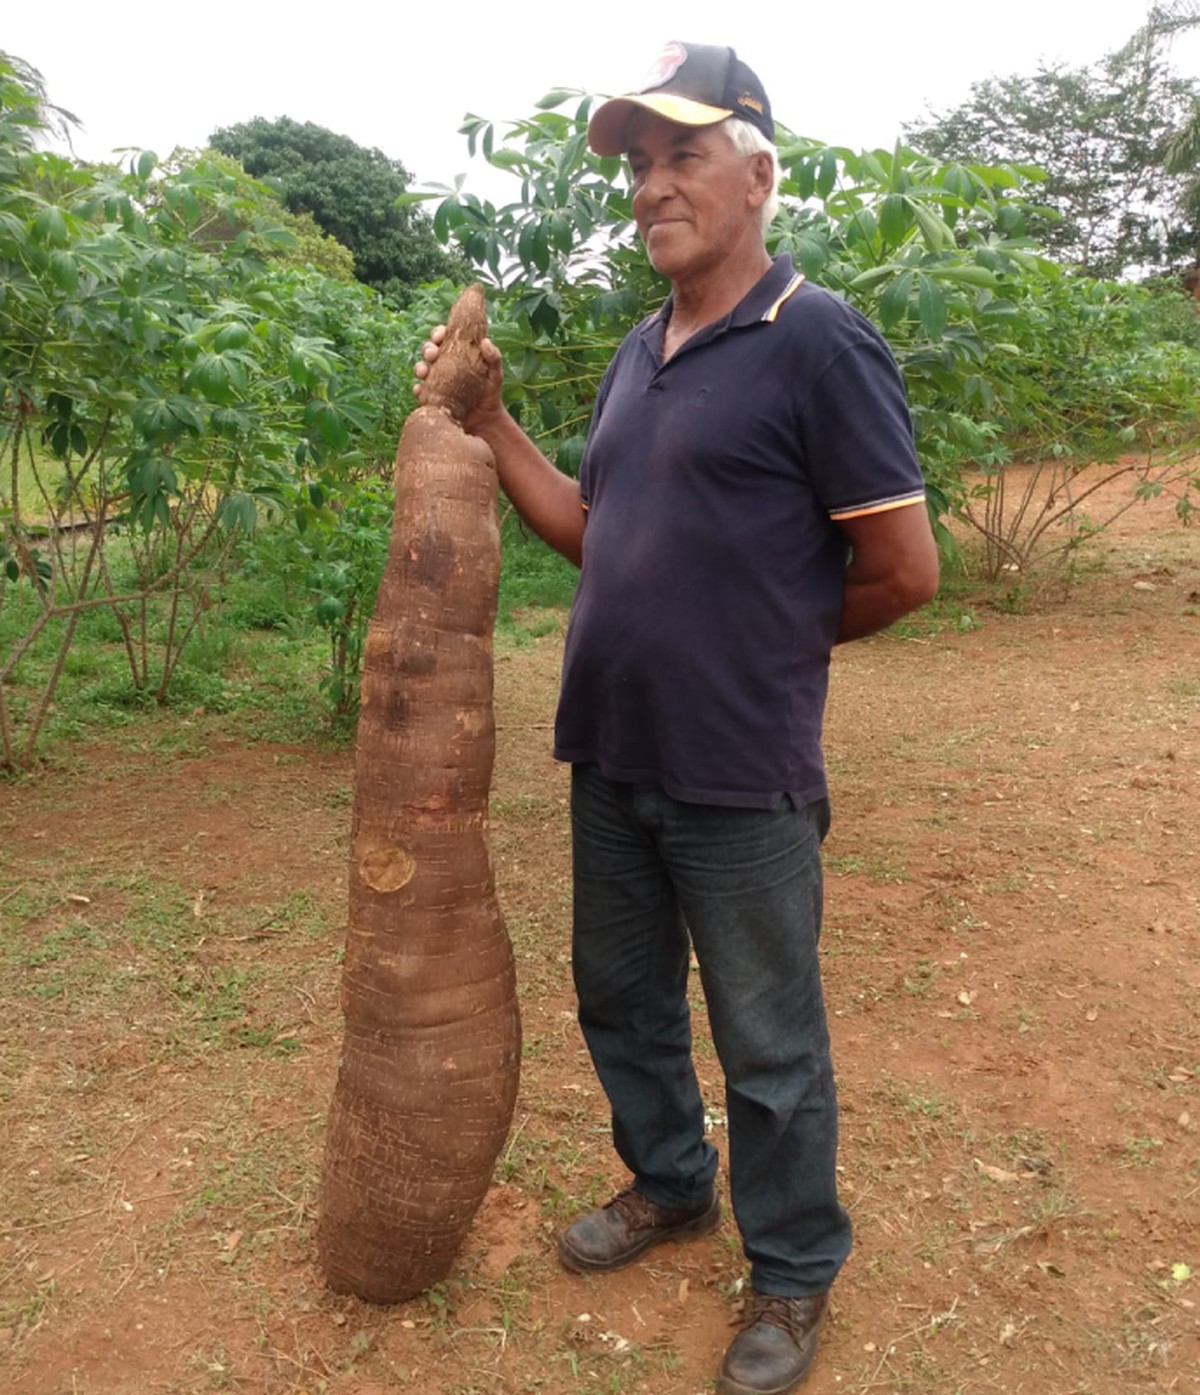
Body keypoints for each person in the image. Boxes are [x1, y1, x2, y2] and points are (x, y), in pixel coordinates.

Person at [416, 41, 939, 1395]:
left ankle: (795, 1267)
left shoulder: (816, 339)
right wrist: (492, 418)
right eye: (639, 164)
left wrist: (755, 649)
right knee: (624, 1000)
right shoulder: (641, 353)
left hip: (739, 768)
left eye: (683, 154)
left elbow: (901, 572)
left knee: (768, 1041)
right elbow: (597, 532)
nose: (652, 186)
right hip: (614, 751)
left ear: (758, 175)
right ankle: (668, 1182)